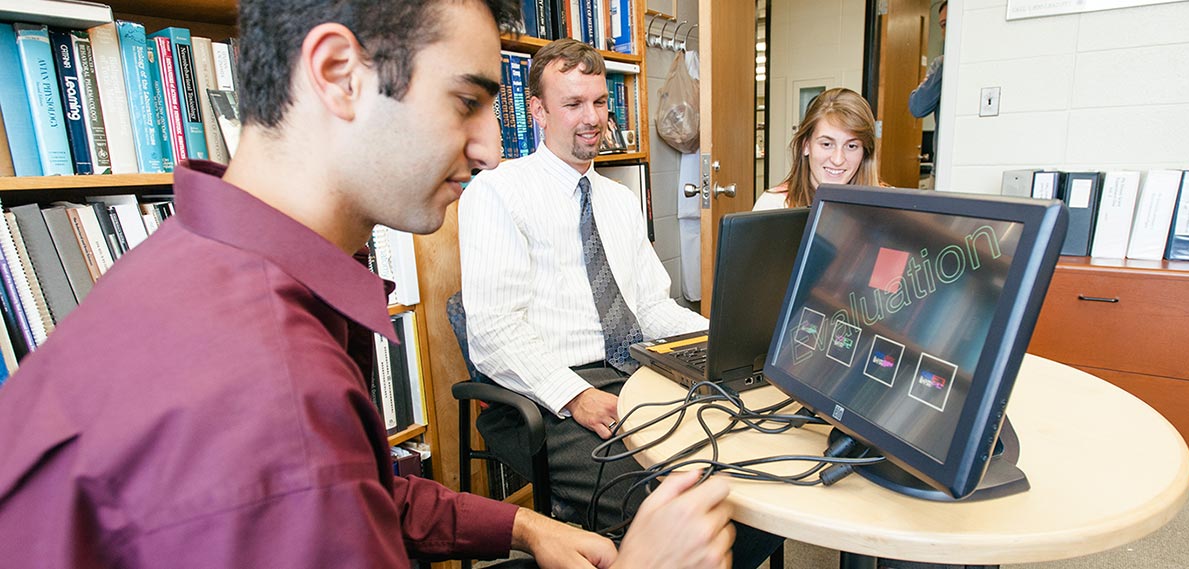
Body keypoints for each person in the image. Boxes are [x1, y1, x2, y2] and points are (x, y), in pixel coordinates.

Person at [0, 2, 734, 568]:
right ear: (338, 74)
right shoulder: (271, 394)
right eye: (465, 101)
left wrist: (519, 521)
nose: (487, 148)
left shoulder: (205, 268)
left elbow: (362, 488)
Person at [458, 38, 780, 568]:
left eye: (600, 102)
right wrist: (576, 395)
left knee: (754, 468)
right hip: (547, 396)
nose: (592, 118)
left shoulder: (620, 200)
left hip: (631, 374)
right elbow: (492, 331)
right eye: (573, 104)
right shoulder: (497, 193)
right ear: (537, 109)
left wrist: (720, 339)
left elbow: (650, 307)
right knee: (671, 509)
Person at [755, 87, 881, 210]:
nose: (838, 160)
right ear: (806, 145)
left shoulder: (887, 205)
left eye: (851, 146)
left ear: (865, 151)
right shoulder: (774, 206)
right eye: (827, 144)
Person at [909, 0, 947, 153]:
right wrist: (943, 65)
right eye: (943, 25)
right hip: (942, 166)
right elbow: (917, 108)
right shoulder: (941, 65)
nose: (946, 31)